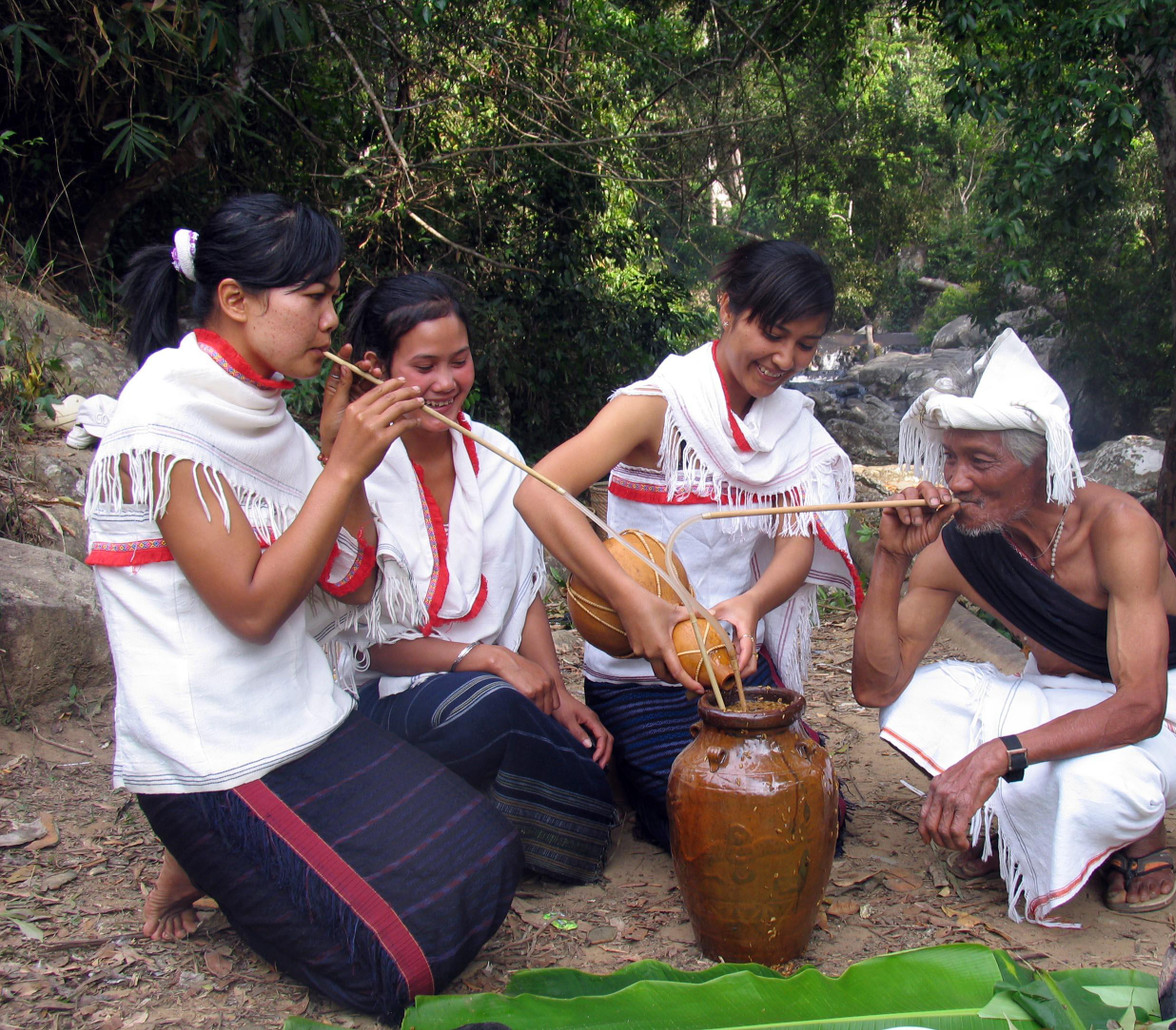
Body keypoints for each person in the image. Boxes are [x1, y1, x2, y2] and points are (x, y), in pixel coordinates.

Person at [85, 196, 521, 1021]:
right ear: (236, 299)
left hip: (298, 721)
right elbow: (250, 609)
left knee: (489, 857)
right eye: (313, 297)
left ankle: (228, 861)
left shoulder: (270, 417)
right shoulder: (165, 426)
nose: (331, 319)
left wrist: (335, 454)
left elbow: (351, 586)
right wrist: (341, 471)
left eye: (330, 296)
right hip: (210, 751)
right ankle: (210, 851)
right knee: (398, 966)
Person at [851, 329, 1176, 926]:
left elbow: (1141, 706)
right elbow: (876, 688)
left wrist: (994, 756)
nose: (957, 481)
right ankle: (1018, 825)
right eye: (951, 458)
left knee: (1106, 783)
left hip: (1161, 718)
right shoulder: (962, 545)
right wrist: (891, 559)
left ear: (1042, 462)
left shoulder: (1118, 527)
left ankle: (1140, 837)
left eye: (981, 461)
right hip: (1054, 703)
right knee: (915, 704)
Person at [515, 240, 861, 848]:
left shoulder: (791, 427)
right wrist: (629, 600)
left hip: (730, 660)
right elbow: (538, 494)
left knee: (813, 818)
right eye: (772, 333)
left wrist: (751, 606)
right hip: (637, 673)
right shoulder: (657, 407)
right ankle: (633, 765)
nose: (785, 358)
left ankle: (640, 770)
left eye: (805, 344)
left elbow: (794, 548)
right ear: (727, 309)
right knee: (713, 821)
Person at [327, 272, 619, 883]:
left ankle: (465, 820)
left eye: (459, 362)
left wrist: (558, 693)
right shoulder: (351, 471)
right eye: (424, 365)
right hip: (384, 700)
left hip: (497, 690)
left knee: (592, 755)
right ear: (377, 369)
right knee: (490, 709)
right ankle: (474, 820)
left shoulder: (496, 454)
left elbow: (523, 592)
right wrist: (484, 659)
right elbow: (359, 637)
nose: (446, 383)